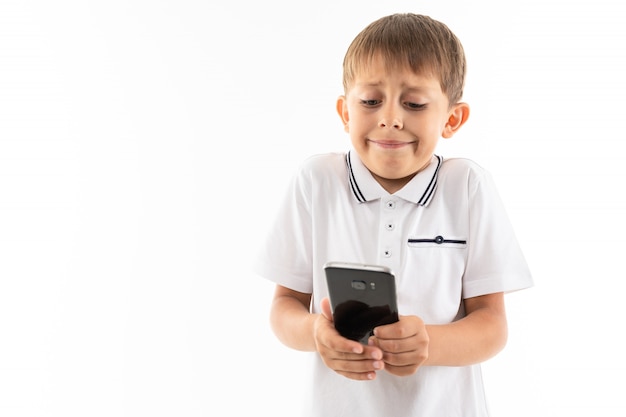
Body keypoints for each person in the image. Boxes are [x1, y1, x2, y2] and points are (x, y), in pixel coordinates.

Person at [254, 12, 533, 417]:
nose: (390, 118)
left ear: (452, 118)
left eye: (415, 103)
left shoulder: (467, 187)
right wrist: (315, 333)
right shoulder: (316, 181)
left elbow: (492, 325)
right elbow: (284, 309)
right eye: (370, 101)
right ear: (345, 111)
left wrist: (429, 344)